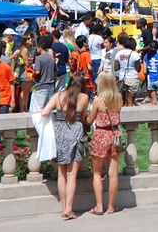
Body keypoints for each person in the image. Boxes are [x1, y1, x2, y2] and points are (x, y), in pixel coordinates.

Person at [41, 74, 89, 220]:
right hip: (75, 133)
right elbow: (83, 118)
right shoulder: (84, 98)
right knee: (72, 174)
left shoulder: (58, 95)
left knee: (61, 173)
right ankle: (69, 208)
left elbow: (44, 112)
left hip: (60, 133)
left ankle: (64, 207)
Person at [87, 71, 123, 216]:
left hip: (101, 135)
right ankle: (111, 206)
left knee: (97, 172)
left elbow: (90, 120)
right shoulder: (119, 98)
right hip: (115, 136)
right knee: (113, 174)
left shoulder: (98, 101)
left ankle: (99, 206)